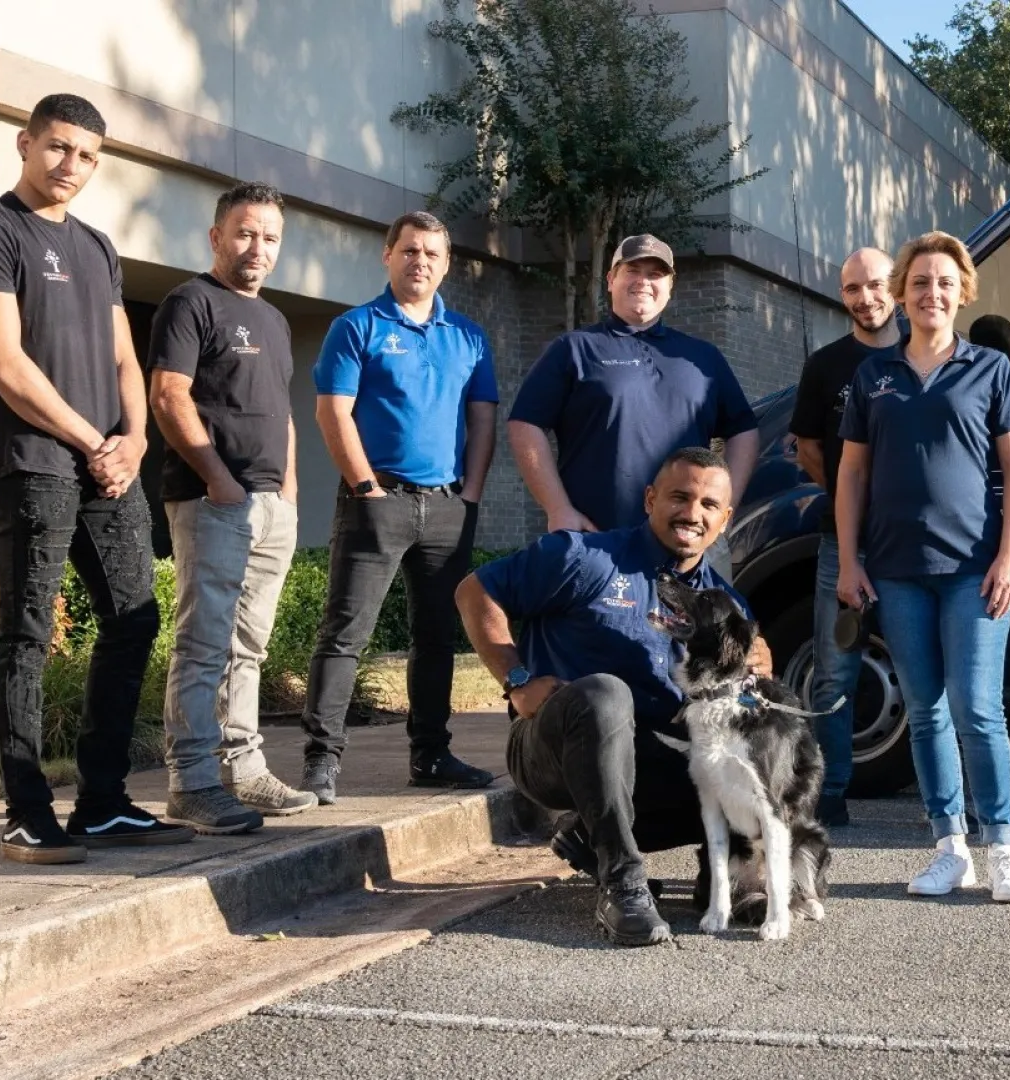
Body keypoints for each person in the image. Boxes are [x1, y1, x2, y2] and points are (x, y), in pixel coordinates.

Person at [0, 93, 193, 864]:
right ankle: (26, 809)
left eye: (87, 154)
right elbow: (3, 362)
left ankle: (103, 801)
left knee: (134, 618)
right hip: (36, 464)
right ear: (25, 143)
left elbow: (127, 355)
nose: (71, 166)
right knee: (27, 631)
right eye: (58, 147)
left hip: (108, 467)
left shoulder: (96, 246)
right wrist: (94, 440)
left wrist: (135, 439)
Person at [456, 447, 772, 946]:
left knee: (765, 743)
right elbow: (475, 592)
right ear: (650, 499)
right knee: (607, 693)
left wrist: (759, 669)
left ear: (724, 519)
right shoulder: (585, 557)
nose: (693, 513)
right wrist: (517, 680)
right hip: (555, 749)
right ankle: (622, 883)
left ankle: (727, 868)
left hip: (650, 766)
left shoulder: (724, 604)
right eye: (679, 497)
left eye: (709, 505)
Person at [833, 231, 1010, 902]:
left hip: (975, 569)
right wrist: (847, 560)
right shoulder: (874, 377)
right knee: (923, 711)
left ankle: (1002, 846)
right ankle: (950, 846)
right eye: (920, 282)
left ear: (962, 291)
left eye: (944, 282)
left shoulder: (990, 369)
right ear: (903, 293)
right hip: (895, 569)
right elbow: (851, 474)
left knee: (977, 709)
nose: (932, 293)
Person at [298, 211, 500, 802]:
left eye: (432, 254)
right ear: (388, 255)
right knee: (344, 633)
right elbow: (332, 411)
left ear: (446, 264)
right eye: (410, 250)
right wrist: (365, 488)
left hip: (447, 507)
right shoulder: (356, 326)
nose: (421, 262)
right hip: (375, 502)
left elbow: (482, 418)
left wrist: (472, 494)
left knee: (437, 638)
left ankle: (431, 756)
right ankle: (321, 760)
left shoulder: (468, 336)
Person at [148, 181, 315, 832]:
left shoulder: (272, 320)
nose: (257, 247)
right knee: (204, 645)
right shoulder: (190, 303)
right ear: (216, 236)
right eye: (245, 233)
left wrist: (289, 493)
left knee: (249, 647)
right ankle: (191, 781)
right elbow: (168, 395)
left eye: (270, 237)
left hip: (271, 507)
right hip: (212, 502)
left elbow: (286, 415)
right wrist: (219, 478)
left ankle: (243, 770)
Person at [508, 235, 758, 548]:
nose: (643, 281)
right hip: (596, 540)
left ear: (670, 286)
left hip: (688, 543)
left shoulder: (702, 358)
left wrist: (722, 509)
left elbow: (744, 431)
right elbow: (524, 425)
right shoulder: (574, 349)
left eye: (655, 274)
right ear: (611, 280)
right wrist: (558, 508)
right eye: (632, 270)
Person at [786, 247, 900, 828]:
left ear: (897, 288)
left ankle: (949, 803)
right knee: (835, 670)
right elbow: (807, 447)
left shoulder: (920, 356)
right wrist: (848, 496)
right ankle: (829, 792)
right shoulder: (825, 365)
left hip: (912, 544)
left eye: (876, 285)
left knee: (930, 668)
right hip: (843, 543)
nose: (865, 298)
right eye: (853, 288)